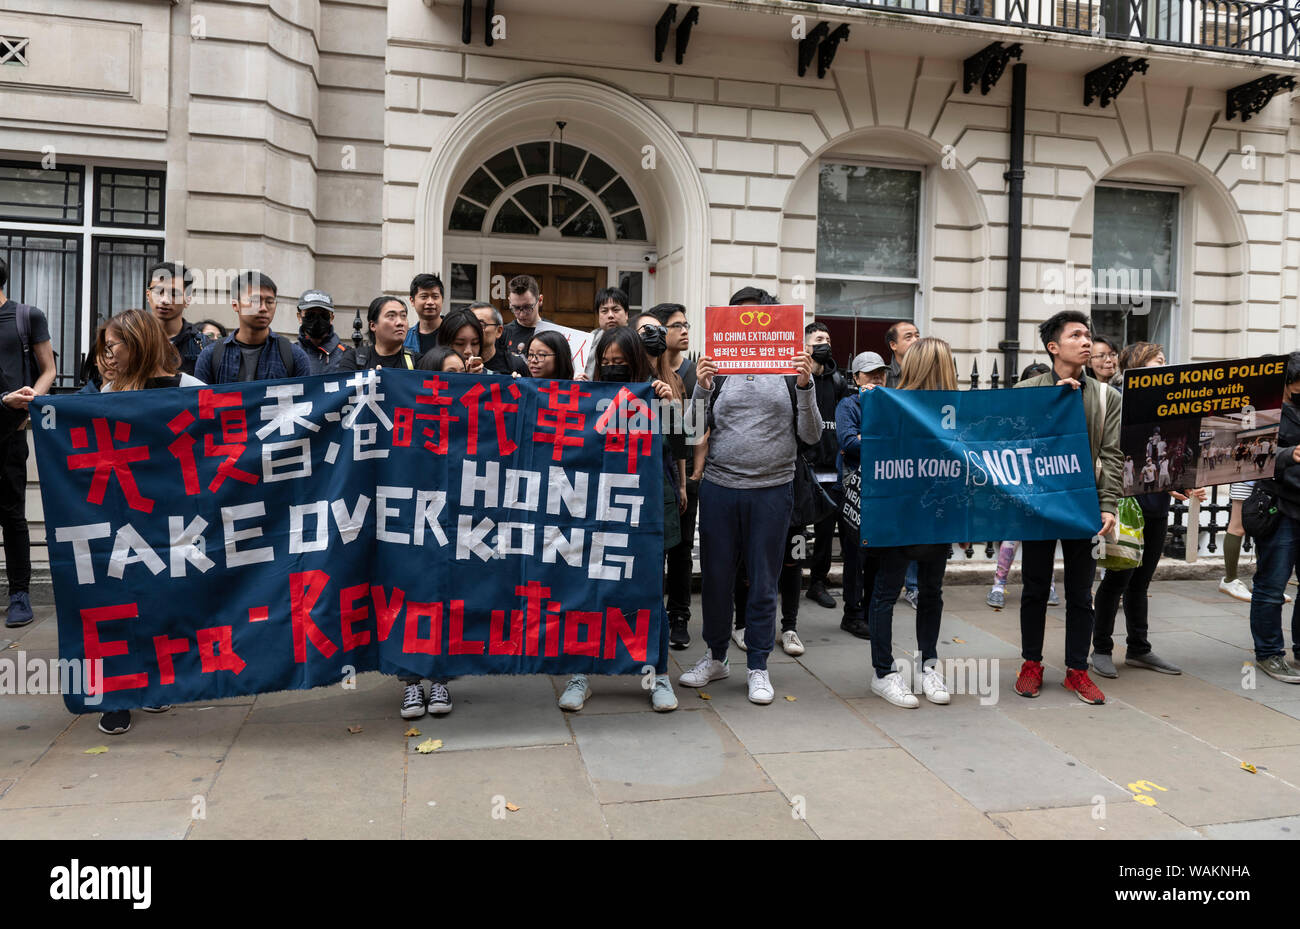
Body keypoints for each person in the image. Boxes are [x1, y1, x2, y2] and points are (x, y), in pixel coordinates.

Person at [677, 290, 820, 706]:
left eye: (758, 318)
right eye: (739, 319)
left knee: (763, 580)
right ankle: (716, 655)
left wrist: (806, 385)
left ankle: (758, 663)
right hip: (722, 488)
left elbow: (811, 435)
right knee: (717, 579)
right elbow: (689, 432)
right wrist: (701, 390)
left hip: (773, 490)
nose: (748, 327)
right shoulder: (717, 370)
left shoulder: (788, 371)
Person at [90, 308, 205, 734]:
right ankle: (117, 695)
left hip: (173, 518)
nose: (107, 355)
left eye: (112, 346)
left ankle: (155, 683)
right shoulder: (106, 392)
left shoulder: (190, 388)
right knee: (118, 603)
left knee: (162, 601)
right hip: (121, 515)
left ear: (137, 343)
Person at [556, 326, 679, 712]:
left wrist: (670, 405)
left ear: (635, 363)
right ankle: (581, 673)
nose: (611, 369)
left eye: (619, 363)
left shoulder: (656, 393)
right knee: (588, 589)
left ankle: (656, 674)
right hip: (595, 508)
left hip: (644, 509)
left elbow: (679, 445)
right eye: (605, 363)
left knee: (647, 592)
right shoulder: (588, 396)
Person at [1012, 310, 1121, 705]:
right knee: (1035, 588)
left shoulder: (1107, 396)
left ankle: (1078, 670)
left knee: (1080, 591)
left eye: (1088, 335)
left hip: (1083, 504)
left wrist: (1107, 503)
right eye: (1076, 335)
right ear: (1054, 347)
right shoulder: (1028, 390)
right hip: (1038, 504)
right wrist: (1055, 400)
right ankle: (1031, 664)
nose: (1086, 341)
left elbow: (1112, 454)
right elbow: (1014, 444)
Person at [1090, 341, 1202, 679]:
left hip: (1156, 505)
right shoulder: (1117, 399)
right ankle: (1102, 649)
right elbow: (1114, 453)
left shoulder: (1166, 402)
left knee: (1142, 581)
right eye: (1159, 361)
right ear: (1138, 364)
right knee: (1117, 577)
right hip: (1126, 506)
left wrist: (1182, 483)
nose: (1165, 366)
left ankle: (1139, 647)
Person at [864, 338, 958, 708]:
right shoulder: (891, 403)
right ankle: (884, 672)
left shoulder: (957, 407)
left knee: (925, 591)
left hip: (934, 510)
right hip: (905, 511)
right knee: (892, 592)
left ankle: (925, 667)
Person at [0, 256, 56, 629]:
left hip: (10, 432)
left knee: (12, 516)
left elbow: (48, 368)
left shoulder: (26, 316)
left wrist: (32, 399)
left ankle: (19, 593)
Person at [988, 363, 1061, 611]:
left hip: (1045, 485)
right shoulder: (1015, 416)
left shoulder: (1055, 416)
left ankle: (1049, 584)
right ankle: (999, 584)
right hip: (1019, 484)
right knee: (1012, 536)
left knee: (1045, 538)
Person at [1246, 351, 1300, 683]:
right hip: (1279, 509)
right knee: (1271, 586)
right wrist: (1286, 455)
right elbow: (1248, 452)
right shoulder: (1264, 409)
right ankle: (1268, 653)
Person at [650, 303, 699, 649]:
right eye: (676, 325)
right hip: (650, 479)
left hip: (676, 478)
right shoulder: (641, 373)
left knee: (681, 551)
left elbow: (685, 436)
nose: (684, 331)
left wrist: (686, 481)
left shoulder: (686, 375)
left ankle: (678, 615)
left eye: (686, 324)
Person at [836, 351, 887, 639]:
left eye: (881, 372)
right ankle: (852, 614)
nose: (878, 377)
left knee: (876, 556)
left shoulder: (890, 403)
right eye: (870, 373)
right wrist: (882, 441)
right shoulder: (848, 405)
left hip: (882, 489)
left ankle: (870, 611)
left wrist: (865, 440)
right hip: (854, 489)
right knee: (855, 555)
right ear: (856, 378)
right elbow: (847, 442)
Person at [801, 322, 851, 613]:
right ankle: (797, 577)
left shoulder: (838, 381)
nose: (825, 343)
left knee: (828, 530)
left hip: (832, 468)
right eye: (819, 339)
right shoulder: (799, 377)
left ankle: (820, 582)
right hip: (805, 466)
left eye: (828, 339)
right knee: (798, 530)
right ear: (806, 345)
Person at [194, 272, 312, 384]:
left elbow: (305, 402)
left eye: (270, 302)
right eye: (255, 300)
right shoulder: (211, 355)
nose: (263, 308)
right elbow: (200, 402)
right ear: (235, 305)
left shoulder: (294, 356)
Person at [145, 261, 205, 376]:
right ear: (148, 295)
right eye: (158, 292)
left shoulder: (202, 346)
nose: (164, 300)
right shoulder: (133, 341)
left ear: (187, 299)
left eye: (174, 294)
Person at [294, 289, 357, 374]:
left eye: (323, 315)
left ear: (331, 318)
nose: (317, 320)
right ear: (299, 317)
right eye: (310, 314)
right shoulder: (289, 355)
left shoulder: (347, 355)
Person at [356, 296, 417, 370]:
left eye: (403, 316)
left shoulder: (417, 362)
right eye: (391, 316)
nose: (400, 322)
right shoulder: (355, 359)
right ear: (373, 326)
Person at [470, 301, 528, 376]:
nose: (474, 329)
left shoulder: (515, 365)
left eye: (481, 325)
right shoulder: (457, 363)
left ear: (499, 331)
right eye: (471, 325)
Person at [502, 275, 555, 357]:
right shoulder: (502, 334)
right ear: (509, 302)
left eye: (527, 307)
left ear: (540, 300)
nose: (522, 314)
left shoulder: (554, 332)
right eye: (516, 308)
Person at [583, 287, 629, 379]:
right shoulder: (587, 343)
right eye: (604, 311)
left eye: (616, 310)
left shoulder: (636, 340)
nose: (610, 315)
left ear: (626, 314)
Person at [403, 273, 444, 360]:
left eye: (435, 297)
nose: (430, 302)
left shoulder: (454, 333)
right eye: (424, 297)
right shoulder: (405, 338)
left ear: (442, 299)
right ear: (412, 301)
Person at [435, 308, 486, 374]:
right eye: (459, 344)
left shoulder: (494, 379)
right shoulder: (428, 375)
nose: (468, 351)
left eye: (474, 343)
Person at [884, 320, 920, 389]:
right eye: (908, 337)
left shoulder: (929, 374)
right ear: (893, 345)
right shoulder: (883, 376)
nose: (915, 340)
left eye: (917, 336)